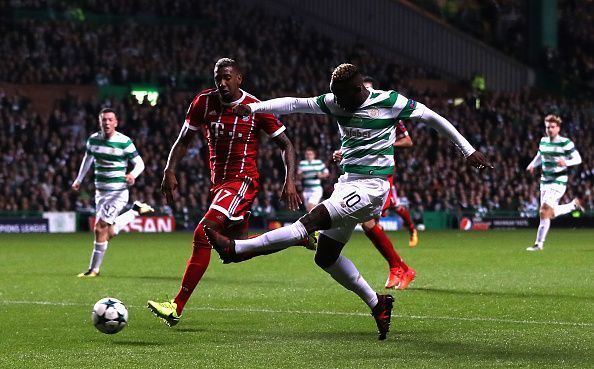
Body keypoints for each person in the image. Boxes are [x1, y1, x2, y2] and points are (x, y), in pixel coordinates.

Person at [206, 63, 492, 340]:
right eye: (335, 97)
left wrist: (467, 150)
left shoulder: (389, 101)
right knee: (326, 257)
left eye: (342, 97)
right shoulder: (338, 100)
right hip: (347, 184)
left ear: (359, 89)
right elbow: (295, 104)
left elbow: (432, 117)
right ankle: (377, 303)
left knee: (307, 225)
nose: (338, 103)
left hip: (372, 187)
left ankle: (237, 249)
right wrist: (254, 108)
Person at [147, 58, 301, 327]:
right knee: (234, 251)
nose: (222, 83)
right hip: (219, 186)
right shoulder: (203, 103)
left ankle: (176, 306)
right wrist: (168, 169)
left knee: (202, 232)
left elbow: (286, 144)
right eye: (218, 77)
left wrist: (289, 181)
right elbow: (183, 140)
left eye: (227, 77)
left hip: (242, 182)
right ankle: (295, 237)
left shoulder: (255, 107)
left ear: (239, 78)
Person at [331, 118, 417, 290]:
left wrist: (384, 143)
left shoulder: (388, 112)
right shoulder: (352, 115)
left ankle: (400, 268)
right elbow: (353, 143)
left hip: (380, 172)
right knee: (368, 223)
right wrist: (340, 152)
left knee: (370, 221)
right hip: (360, 173)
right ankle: (402, 269)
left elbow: (408, 141)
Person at [72, 108, 154, 277]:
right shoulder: (93, 141)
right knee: (107, 231)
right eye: (104, 120)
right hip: (100, 192)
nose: (107, 123)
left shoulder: (124, 142)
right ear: (99, 122)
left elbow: (140, 164)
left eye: (110, 120)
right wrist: (79, 179)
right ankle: (134, 211)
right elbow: (87, 160)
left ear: (116, 123)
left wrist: (132, 174)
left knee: (99, 227)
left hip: (118, 192)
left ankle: (93, 270)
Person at [526, 114, 583, 251]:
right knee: (546, 213)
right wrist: (532, 164)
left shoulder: (565, 142)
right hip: (545, 181)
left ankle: (539, 244)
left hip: (558, 181)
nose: (550, 129)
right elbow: (540, 156)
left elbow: (577, 159)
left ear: (558, 128)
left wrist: (566, 162)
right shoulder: (543, 141)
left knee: (544, 210)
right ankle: (573, 206)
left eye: (552, 127)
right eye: (547, 127)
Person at [298, 147, 329, 211]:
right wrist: (299, 175)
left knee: (310, 208)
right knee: (309, 211)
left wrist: (320, 176)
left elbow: (327, 174)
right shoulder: (302, 163)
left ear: (314, 155)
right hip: (306, 190)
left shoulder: (319, 163)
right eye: (307, 154)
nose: (309, 156)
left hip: (316, 190)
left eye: (310, 154)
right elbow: (298, 177)